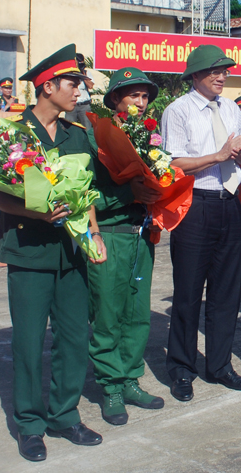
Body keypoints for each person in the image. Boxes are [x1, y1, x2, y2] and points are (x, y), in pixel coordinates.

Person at [0, 44, 107, 461]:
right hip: (29, 249)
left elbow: (86, 192)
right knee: (28, 340)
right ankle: (30, 424)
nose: (79, 91)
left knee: (75, 337)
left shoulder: (77, 134)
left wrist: (93, 234)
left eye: (79, 83)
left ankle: (65, 415)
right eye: (72, 83)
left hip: (71, 250)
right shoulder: (14, 133)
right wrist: (38, 211)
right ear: (48, 86)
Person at [162, 45, 241, 400]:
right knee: (188, 293)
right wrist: (218, 155)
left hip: (228, 203)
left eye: (225, 71)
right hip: (195, 206)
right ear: (195, 75)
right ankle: (182, 369)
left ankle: (219, 365)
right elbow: (173, 163)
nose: (222, 77)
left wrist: (240, 152)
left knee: (226, 292)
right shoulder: (179, 110)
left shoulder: (231, 108)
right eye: (215, 72)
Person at [88, 67, 165, 425]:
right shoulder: (96, 138)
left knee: (137, 313)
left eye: (145, 96)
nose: (140, 102)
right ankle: (111, 386)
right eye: (133, 95)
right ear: (115, 99)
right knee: (108, 314)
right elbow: (86, 197)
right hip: (110, 232)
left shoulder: (149, 137)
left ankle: (131, 378)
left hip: (141, 234)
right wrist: (126, 193)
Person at [64, 53, 94, 129]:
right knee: (69, 127)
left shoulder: (86, 73)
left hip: (84, 105)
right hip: (71, 104)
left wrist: (83, 74)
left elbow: (90, 86)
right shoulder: (69, 73)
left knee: (87, 128)